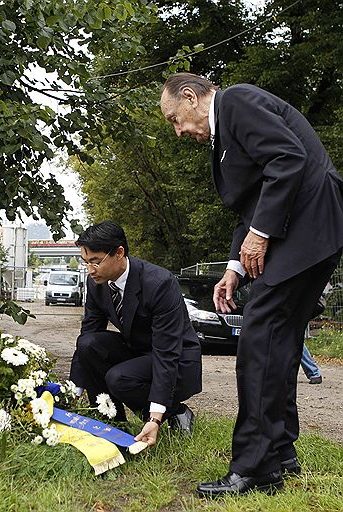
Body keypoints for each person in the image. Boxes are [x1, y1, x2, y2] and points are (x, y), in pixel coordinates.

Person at [161, 73, 343, 497]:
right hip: (308, 232)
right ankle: (279, 454)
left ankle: (255, 467)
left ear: (191, 97)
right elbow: (255, 203)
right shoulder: (227, 129)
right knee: (276, 343)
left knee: (259, 341)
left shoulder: (237, 102)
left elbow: (288, 160)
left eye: (176, 118)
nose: (179, 130)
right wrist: (234, 269)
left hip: (309, 226)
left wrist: (260, 234)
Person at [69, 220, 202, 446]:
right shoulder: (96, 284)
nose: (90, 270)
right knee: (89, 344)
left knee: (119, 378)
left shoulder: (159, 283)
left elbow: (166, 352)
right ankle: (110, 422)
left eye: (95, 262)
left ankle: (176, 411)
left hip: (176, 358)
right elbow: (88, 333)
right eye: (85, 263)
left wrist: (156, 416)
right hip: (137, 350)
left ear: (119, 252)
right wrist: (72, 390)